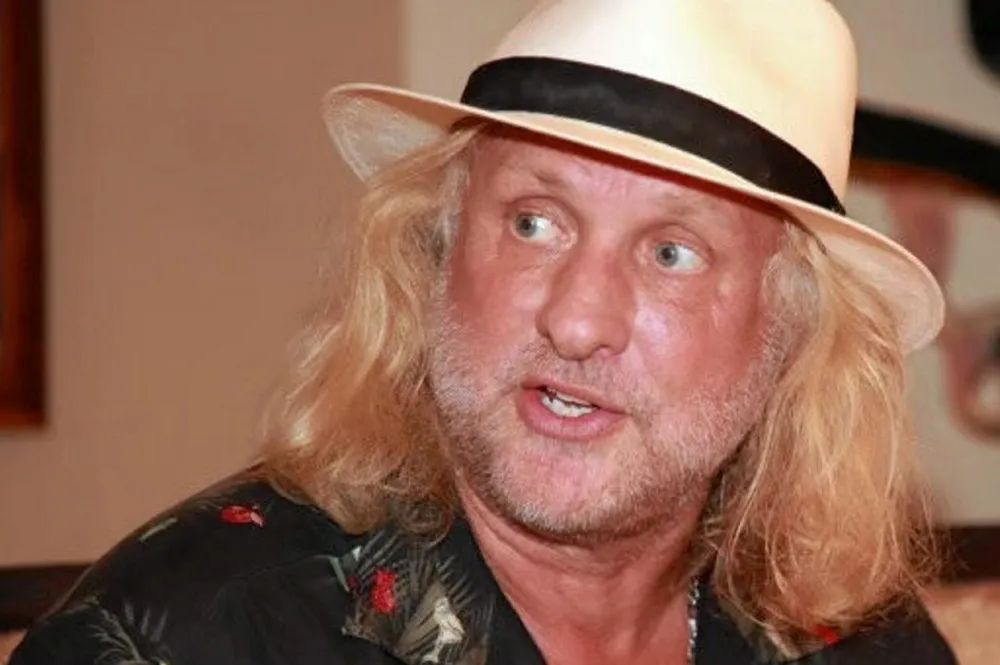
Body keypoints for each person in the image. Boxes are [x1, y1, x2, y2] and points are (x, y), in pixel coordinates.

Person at [11, 1, 959, 664]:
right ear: (435, 254)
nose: (576, 320)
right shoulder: (183, 639)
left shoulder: (853, 638)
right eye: (534, 222)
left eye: (672, 252)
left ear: (789, 332)